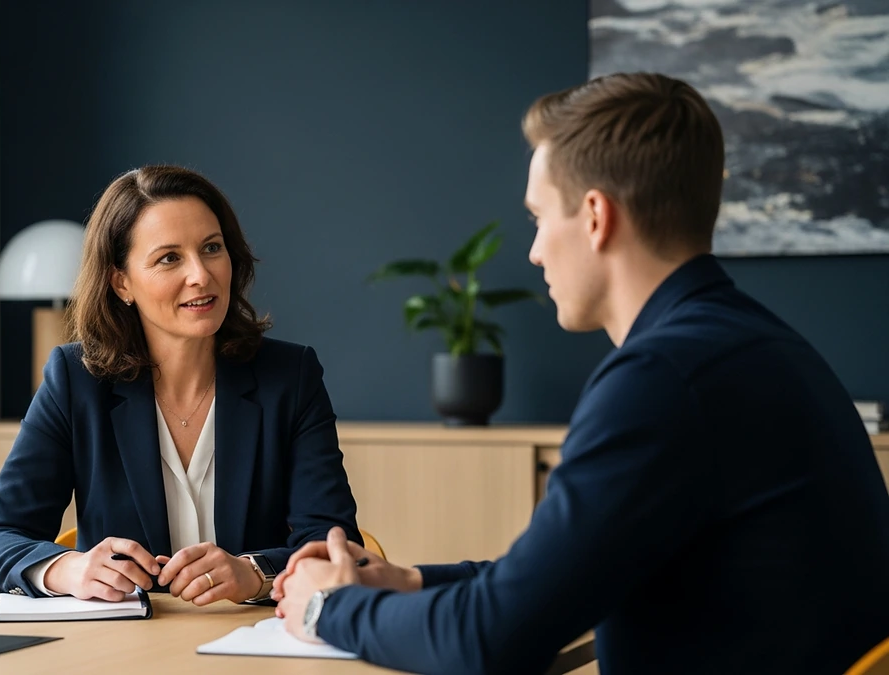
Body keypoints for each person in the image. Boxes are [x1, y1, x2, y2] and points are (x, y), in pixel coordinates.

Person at [272, 73, 889, 675]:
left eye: (540, 217)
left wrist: (328, 608)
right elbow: (555, 576)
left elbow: (489, 641)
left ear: (596, 216)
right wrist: (409, 581)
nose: (535, 249)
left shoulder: (662, 379)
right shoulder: (755, 344)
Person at [0, 165, 362, 606]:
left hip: (257, 642)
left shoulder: (289, 376)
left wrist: (254, 572)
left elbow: (334, 544)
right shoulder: (76, 380)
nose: (201, 274)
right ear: (122, 283)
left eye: (212, 248)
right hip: (127, 651)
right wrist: (68, 568)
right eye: (169, 258)